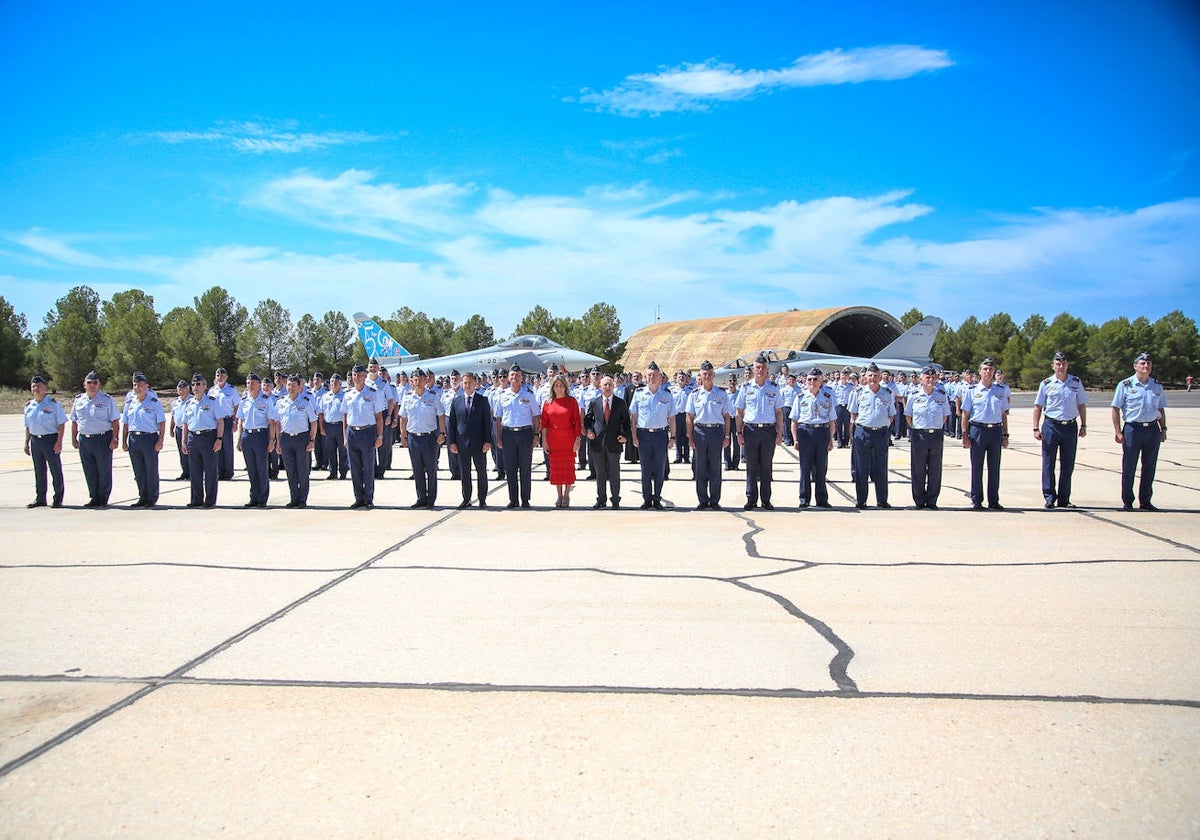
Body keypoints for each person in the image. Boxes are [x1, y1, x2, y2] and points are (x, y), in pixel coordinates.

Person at [1111, 352, 1168, 511]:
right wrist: (1118, 431)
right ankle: (1127, 501)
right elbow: (1115, 409)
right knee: (1129, 466)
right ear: (1135, 366)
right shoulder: (1126, 385)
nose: (1145, 366)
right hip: (1132, 429)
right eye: (1142, 363)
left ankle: (1145, 500)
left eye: (1148, 363)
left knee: (1149, 466)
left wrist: (1163, 428)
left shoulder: (1156, 385)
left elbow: (1160, 408)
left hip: (1152, 429)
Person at [1033, 351, 1089, 509]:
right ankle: (1049, 497)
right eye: (1058, 364)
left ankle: (1064, 498)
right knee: (1048, 462)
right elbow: (1038, 406)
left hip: (1070, 426)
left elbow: (1081, 404)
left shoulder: (1076, 382)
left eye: (1063, 364)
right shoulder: (1046, 384)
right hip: (1051, 425)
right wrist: (1036, 427)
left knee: (1068, 464)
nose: (1061, 366)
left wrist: (1084, 424)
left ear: (1067, 365)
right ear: (1052, 366)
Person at [734, 354, 783, 510]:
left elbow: (779, 413)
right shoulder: (745, 388)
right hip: (750, 430)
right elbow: (739, 412)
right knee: (751, 467)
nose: (760, 370)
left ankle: (766, 499)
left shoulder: (774, 388)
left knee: (766, 467)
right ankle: (751, 499)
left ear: (767, 369)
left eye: (763, 368)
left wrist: (780, 433)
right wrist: (739, 432)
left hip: (768, 431)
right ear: (753, 369)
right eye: (757, 367)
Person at [960, 358, 1010, 510]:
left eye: (990, 369)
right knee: (977, 467)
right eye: (985, 369)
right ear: (980, 371)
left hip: (995, 431)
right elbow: (965, 414)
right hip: (977, 430)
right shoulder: (972, 391)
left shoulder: (1000, 391)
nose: (988, 372)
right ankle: (977, 499)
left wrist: (1005, 435)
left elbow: (1003, 415)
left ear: (994, 372)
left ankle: (993, 500)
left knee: (994, 467)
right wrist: (964, 435)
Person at [69, 370, 120, 508]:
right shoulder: (79, 400)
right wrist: (73, 438)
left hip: (102, 439)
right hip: (85, 439)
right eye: (89, 383)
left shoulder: (106, 400)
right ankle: (94, 497)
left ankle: (103, 498)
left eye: (95, 383)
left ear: (99, 385)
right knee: (89, 470)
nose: (92, 385)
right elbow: (74, 421)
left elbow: (115, 420)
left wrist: (115, 438)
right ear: (84, 384)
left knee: (104, 470)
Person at [685, 361, 730, 510]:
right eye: (705, 374)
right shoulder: (694, 394)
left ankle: (715, 500)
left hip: (716, 432)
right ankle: (703, 500)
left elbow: (726, 417)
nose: (707, 376)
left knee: (715, 468)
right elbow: (689, 417)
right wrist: (690, 437)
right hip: (700, 432)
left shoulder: (721, 394)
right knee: (700, 468)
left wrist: (727, 436)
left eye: (710, 374)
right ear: (700, 375)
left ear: (714, 375)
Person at [905, 365, 952, 509]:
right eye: (927, 377)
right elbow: (908, 415)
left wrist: (934, 426)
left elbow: (945, 416)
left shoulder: (941, 395)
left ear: (936, 379)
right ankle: (919, 500)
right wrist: (918, 428)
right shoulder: (914, 395)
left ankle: (932, 500)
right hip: (919, 435)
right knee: (918, 469)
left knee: (935, 469)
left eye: (933, 377)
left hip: (936, 435)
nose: (930, 379)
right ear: (921, 379)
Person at [494, 364, 541, 509]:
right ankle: (513, 499)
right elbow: (499, 419)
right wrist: (499, 437)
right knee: (510, 469)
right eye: (512, 375)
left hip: (525, 434)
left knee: (525, 468)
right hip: (508, 434)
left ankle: (525, 499)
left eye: (517, 375)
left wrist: (536, 434)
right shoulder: (502, 396)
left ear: (522, 378)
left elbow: (536, 416)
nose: (514, 377)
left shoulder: (529, 395)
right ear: (508, 378)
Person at [399, 367, 447, 509]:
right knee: (417, 469)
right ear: (411, 382)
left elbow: (441, 415)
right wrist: (402, 435)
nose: (418, 382)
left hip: (429, 437)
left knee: (431, 469)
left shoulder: (432, 396)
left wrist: (442, 433)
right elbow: (403, 417)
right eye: (415, 380)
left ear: (426, 380)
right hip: (413, 437)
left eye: (420, 379)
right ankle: (421, 498)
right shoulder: (407, 397)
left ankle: (431, 499)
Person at [849, 363, 895, 509]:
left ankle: (882, 500)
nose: (873, 378)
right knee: (861, 467)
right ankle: (861, 500)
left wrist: (882, 425)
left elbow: (891, 415)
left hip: (881, 433)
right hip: (863, 432)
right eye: (870, 376)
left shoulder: (887, 393)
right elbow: (853, 414)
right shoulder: (858, 392)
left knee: (881, 467)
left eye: (875, 376)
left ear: (880, 376)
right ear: (866, 377)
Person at [790, 367, 836, 509]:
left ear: (821, 381)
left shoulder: (827, 397)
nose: (812, 382)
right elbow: (794, 420)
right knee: (805, 468)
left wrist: (830, 439)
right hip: (805, 432)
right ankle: (804, 498)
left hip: (821, 432)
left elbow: (831, 420)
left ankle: (822, 499)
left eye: (815, 379)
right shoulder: (800, 397)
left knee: (821, 468)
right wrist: (795, 439)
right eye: (809, 379)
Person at [631, 361, 674, 509]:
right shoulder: (639, 394)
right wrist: (634, 436)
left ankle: (657, 498)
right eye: (649, 375)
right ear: (645, 377)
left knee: (659, 469)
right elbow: (633, 417)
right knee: (645, 469)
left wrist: (672, 437)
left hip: (660, 434)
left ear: (660, 377)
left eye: (654, 375)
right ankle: (647, 499)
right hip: (644, 435)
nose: (652, 378)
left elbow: (672, 417)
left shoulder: (667, 395)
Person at [447, 371, 494, 508]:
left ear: (475, 384)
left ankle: (482, 499)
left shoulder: (482, 400)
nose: (467, 385)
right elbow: (453, 424)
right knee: (465, 473)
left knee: (481, 472)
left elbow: (487, 422)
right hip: (462, 443)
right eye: (464, 383)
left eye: (469, 383)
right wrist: (452, 442)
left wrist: (487, 441)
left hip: (479, 443)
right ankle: (466, 498)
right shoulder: (456, 401)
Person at [180, 373, 227, 508]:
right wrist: (184, 441)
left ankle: (210, 500)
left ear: (205, 386)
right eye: (193, 384)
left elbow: (220, 421)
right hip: (193, 438)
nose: (195, 387)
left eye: (198, 384)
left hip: (208, 437)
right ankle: (196, 499)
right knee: (195, 471)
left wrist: (219, 439)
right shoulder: (189, 403)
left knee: (210, 471)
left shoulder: (212, 401)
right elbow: (185, 424)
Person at [584, 374, 631, 509]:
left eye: (610, 384)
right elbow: (587, 420)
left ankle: (615, 499)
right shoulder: (594, 402)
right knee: (600, 473)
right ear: (600, 386)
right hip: (598, 443)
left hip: (614, 443)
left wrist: (625, 436)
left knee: (614, 472)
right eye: (605, 385)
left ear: (614, 386)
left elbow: (626, 422)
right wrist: (589, 431)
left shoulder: (620, 403)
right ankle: (601, 499)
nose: (608, 387)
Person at [121, 372, 166, 508]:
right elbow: (126, 423)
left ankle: (151, 498)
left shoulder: (154, 403)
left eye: (140, 385)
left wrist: (160, 439)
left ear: (146, 386)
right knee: (138, 471)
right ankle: (142, 496)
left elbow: (162, 422)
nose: (137, 388)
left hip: (149, 438)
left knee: (150, 470)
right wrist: (124, 441)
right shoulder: (130, 403)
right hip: (134, 438)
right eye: (135, 385)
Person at [344, 363, 384, 510]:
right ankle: (358, 497)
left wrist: (379, 436)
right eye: (355, 375)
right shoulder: (348, 394)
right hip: (352, 432)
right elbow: (345, 416)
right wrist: (345, 436)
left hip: (367, 432)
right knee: (354, 468)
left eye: (360, 375)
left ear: (365, 376)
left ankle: (368, 498)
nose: (357, 378)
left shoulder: (373, 393)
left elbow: (379, 416)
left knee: (368, 467)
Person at [275, 374, 318, 508]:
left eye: (294, 385)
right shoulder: (281, 402)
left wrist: (312, 440)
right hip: (286, 438)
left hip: (302, 438)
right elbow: (277, 423)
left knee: (302, 470)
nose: (291, 388)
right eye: (289, 385)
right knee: (290, 470)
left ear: (299, 387)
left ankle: (302, 499)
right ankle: (293, 498)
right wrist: (278, 441)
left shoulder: (305, 401)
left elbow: (313, 422)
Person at [24, 375, 67, 508]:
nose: (36, 388)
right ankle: (40, 498)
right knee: (39, 470)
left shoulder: (53, 404)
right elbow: (28, 426)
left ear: (45, 388)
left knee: (55, 470)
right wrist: (26, 442)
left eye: (38, 386)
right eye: (33, 386)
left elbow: (61, 424)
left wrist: (59, 441)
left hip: (50, 439)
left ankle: (58, 498)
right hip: (36, 440)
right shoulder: (29, 406)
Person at [539, 375, 582, 507]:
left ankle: (567, 494)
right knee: (556, 469)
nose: (559, 388)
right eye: (556, 386)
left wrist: (577, 439)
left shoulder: (572, 402)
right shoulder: (547, 403)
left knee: (568, 468)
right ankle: (559, 495)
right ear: (553, 387)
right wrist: (544, 441)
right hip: (553, 440)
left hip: (568, 439)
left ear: (565, 387)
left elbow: (577, 422)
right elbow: (544, 424)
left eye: (561, 386)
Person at [236, 372, 278, 508]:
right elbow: (241, 421)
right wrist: (239, 439)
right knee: (251, 469)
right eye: (248, 383)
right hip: (247, 436)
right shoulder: (244, 401)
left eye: (253, 383)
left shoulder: (266, 400)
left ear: (259, 385)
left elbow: (271, 422)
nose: (250, 386)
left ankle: (262, 499)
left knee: (262, 468)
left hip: (261, 435)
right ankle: (253, 497)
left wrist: (271, 440)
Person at [210, 367, 239, 480]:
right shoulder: (212, 390)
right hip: (215, 421)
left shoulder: (231, 390)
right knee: (216, 446)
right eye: (218, 375)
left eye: (222, 375)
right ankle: (218, 471)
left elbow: (236, 406)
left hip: (227, 420)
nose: (220, 377)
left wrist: (235, 421)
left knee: (226, 446)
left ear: (226, 377)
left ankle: (228, 472)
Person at [319, 373, 348, 481]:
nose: (333, 384)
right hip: (329, 426)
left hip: (340, 426)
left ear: (340, 384)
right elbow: (321, 414)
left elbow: (347, 413)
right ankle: (332, 472)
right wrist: (322, 428)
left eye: (336, 382)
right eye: (332, 382)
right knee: (330, 450)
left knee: (342, 450)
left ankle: (343, 472)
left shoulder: (344, 396)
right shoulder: (325, 397)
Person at [169, 380, 191, 481]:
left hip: (189, 429)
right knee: (182, 451)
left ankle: (192, 472)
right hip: (179, 429)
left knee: (190, 451)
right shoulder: (175, 402)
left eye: (183, 389)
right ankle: (185, 471)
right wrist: (171, 428)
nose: (181, 391)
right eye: (179, 389)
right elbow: (173, 417)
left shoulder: (192, 400)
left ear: (188, 389)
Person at [723, 376, 742, 469]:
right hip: (727, 420)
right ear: (727, 382)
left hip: (736, 419)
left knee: (737, 442)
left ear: (737, 382)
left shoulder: (739, 394)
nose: (732, 382)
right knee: (726, 442)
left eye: (734, 381)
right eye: (730, 381)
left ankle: (735, 464)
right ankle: (727, 463)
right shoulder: (724, 394)